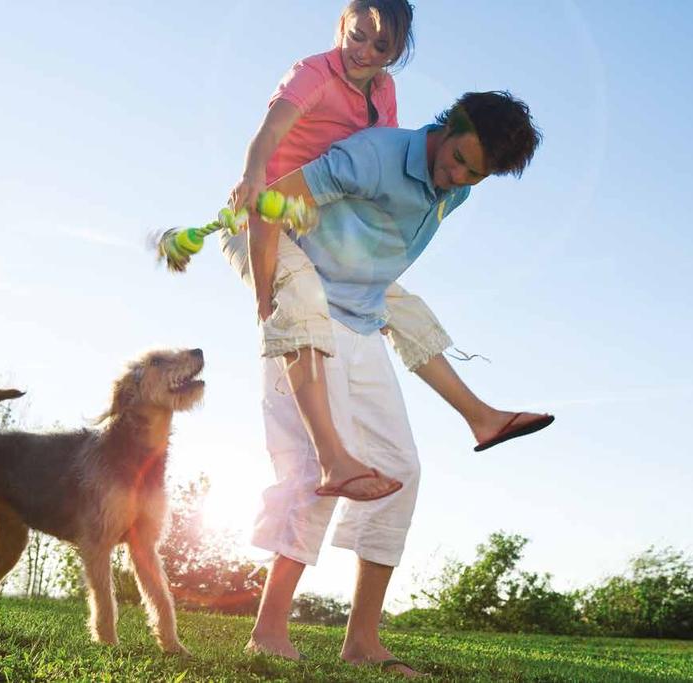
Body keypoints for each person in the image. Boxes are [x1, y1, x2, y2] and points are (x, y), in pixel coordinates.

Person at [242, 91, 549, 677]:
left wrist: (383, 303)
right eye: (457, 157)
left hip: (359, 318)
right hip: (306, 311)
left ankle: (362, 642)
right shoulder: (375, 156)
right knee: (315, 470)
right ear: (446, 125)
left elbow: (384, 250)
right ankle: (268, 631)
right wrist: (268, 294)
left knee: (399, 471)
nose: (455, 176)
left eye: (473, 174)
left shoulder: (453, 192)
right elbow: (274, 204)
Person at [223, 0, 551, 504]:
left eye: (382, 47)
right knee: (301, 298)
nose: (365, 52)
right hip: (265, 212)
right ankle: (333, 458)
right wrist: (252, 181)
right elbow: (273, 135)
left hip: (315, 215)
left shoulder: (384, 92)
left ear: (398, 53)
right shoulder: (314, 74)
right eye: (357, 37)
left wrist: (368, 288)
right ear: (341, 27)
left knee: (402, 306)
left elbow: (385, 149)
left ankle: (480, 417)